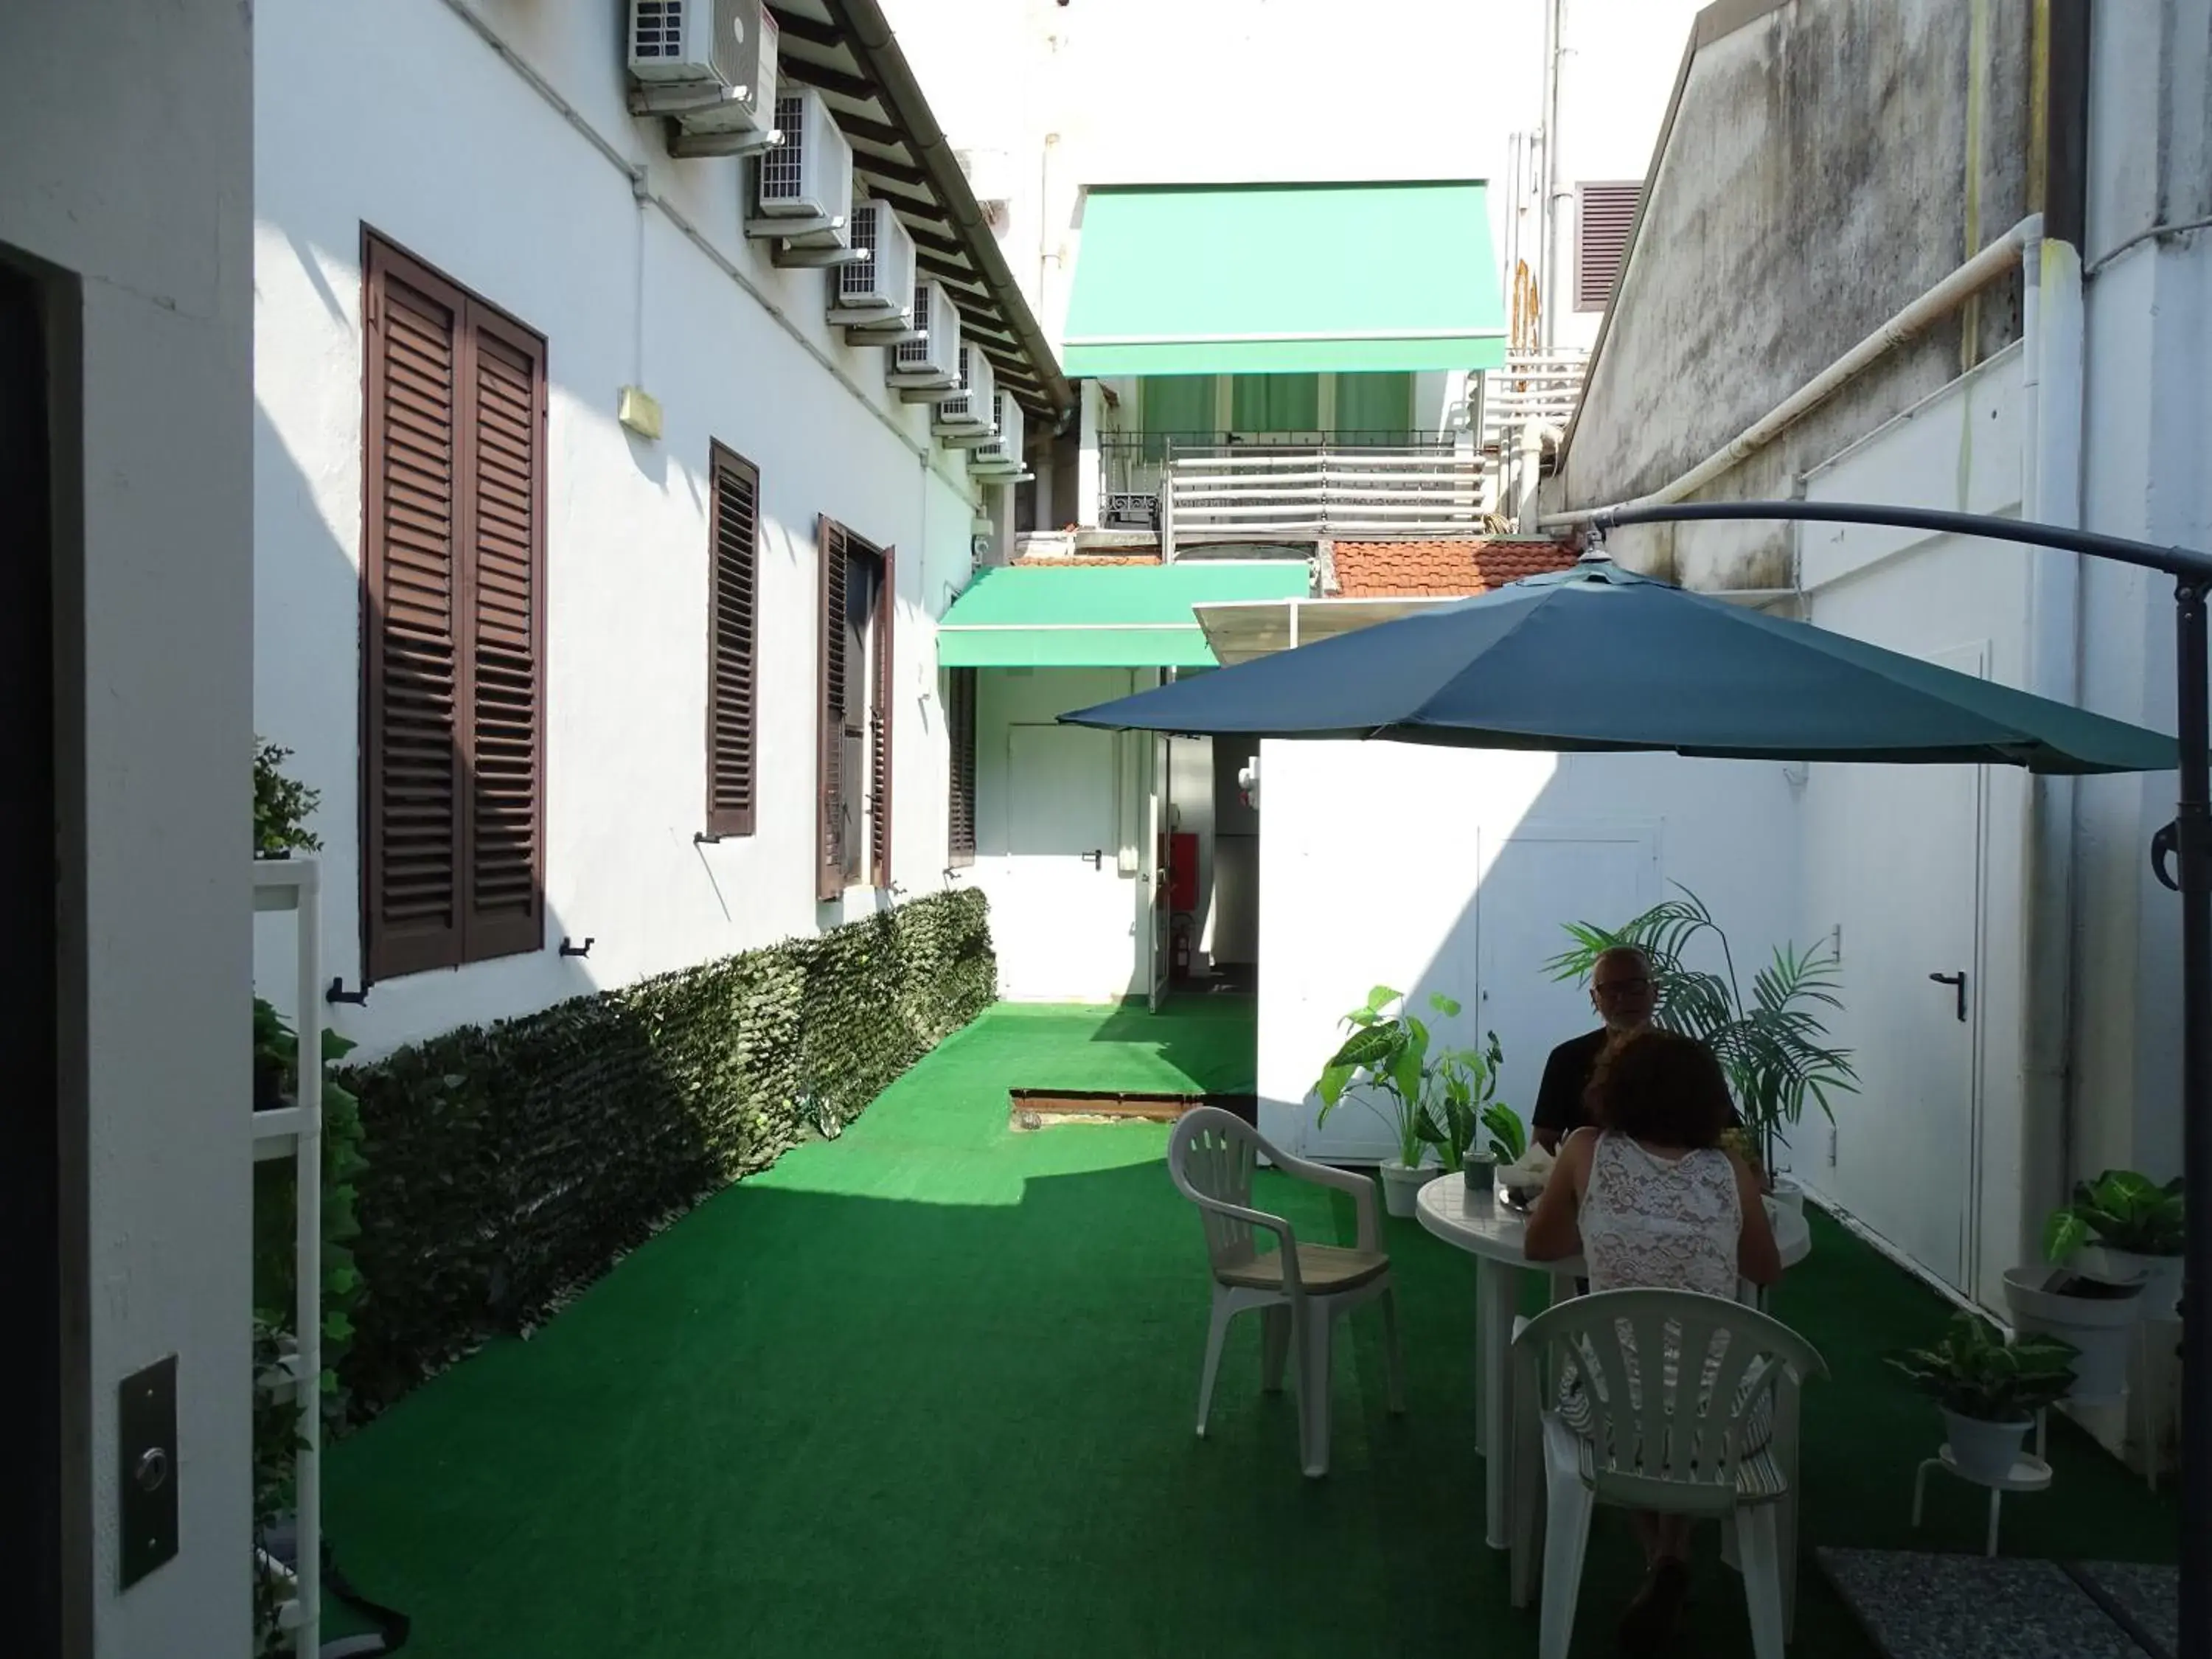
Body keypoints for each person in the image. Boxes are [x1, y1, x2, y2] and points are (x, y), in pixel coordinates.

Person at [1522, 1029, 1783, 1656]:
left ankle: (1657, 1559)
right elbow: (1765, 1270)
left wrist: (1613, 1231)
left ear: (1614, 1089)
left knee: (1630, 1399)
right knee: (1692, 1393)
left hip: (1613, 1418)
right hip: (1725, 1423)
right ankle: (1672, 1553)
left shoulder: (1585, 1151)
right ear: (1708, 1100)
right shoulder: (1730, 1173)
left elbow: (1541, 1246)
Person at [1530, 945, 1659, 1154]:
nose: (1622, 998)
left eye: (1634, 987)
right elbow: (1542, 1147)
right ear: (1594, 999)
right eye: (1610, 989)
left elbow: (1727, 1139)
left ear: (1656, 992)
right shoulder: (1567, 1060)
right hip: (1584, 1184)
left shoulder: (1691, 1060)